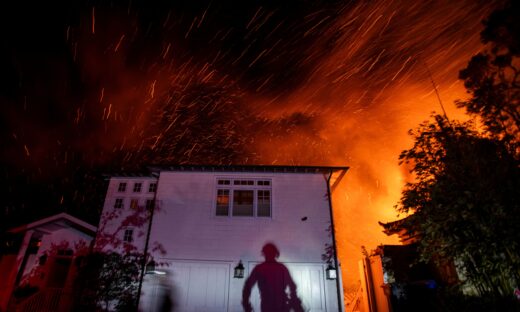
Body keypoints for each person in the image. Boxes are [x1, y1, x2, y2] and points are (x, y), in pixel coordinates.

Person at [242, 243, 304, 312]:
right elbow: (292, 285)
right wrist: (294, 298)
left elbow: (247, 286)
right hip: (280, 304)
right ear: (275, 254)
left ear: (264, 253)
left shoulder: (259, 269)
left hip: (269, 304)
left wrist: (246, 303)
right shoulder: (281, 268)